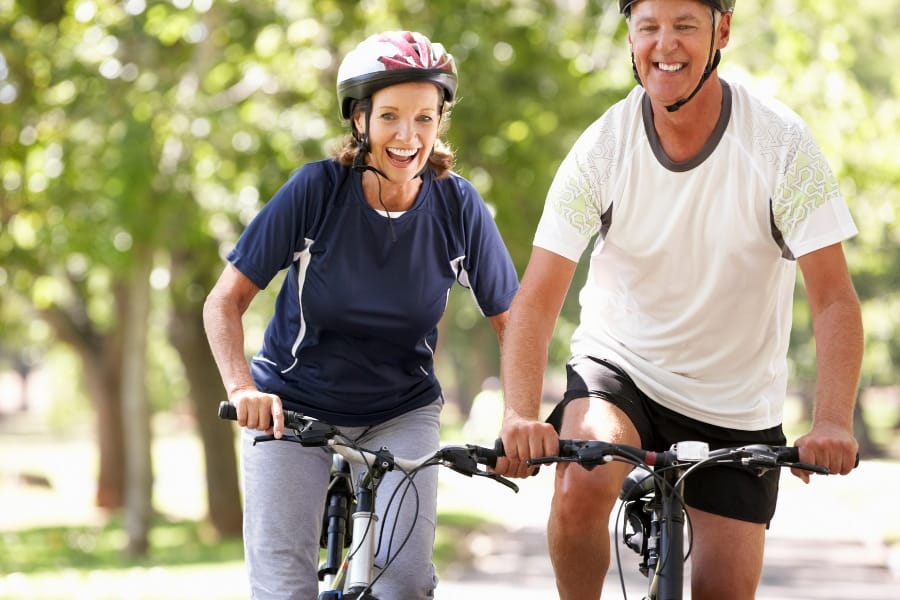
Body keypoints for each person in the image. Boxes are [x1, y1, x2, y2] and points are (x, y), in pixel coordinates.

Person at [494, 1, 863, 599]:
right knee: (583, 478)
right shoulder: (602, 148)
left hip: (737, 403)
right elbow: (535, 300)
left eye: (685, 26)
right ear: (631, 37)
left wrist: (831, 421)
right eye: (649, 27)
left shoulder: (782, 143)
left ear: (722, 30)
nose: (665, 44)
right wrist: (517, 414)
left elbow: (834, 300)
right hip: (623, 371)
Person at [203, 30, 519, 600]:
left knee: (402, 584)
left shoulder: (457, 205)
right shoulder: (316, 192)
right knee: (282, 588)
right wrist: (242, 387)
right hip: (291, 410)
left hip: (400, 410)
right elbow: (223, 302)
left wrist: (520, 414)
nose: (408, 135)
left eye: (425, 118)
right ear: (360, 120)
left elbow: (513, 321)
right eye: (391, 116)